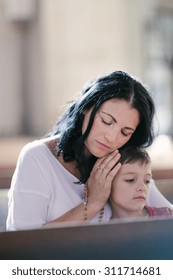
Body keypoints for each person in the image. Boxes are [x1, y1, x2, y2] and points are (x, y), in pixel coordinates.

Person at [6, 70, 172, 231]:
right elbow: (24, 242)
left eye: (125, 132)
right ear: (86, 107)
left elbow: (167, 215)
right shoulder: (37, 158)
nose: (112, 138)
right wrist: (92, 203)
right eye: (106, 121)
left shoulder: (123, 161)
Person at [110, 146, 173, 219]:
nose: (143, 187)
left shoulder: (167, 217)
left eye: (147, 181)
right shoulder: (99, 225)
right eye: (130, 180)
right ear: (107, 182)